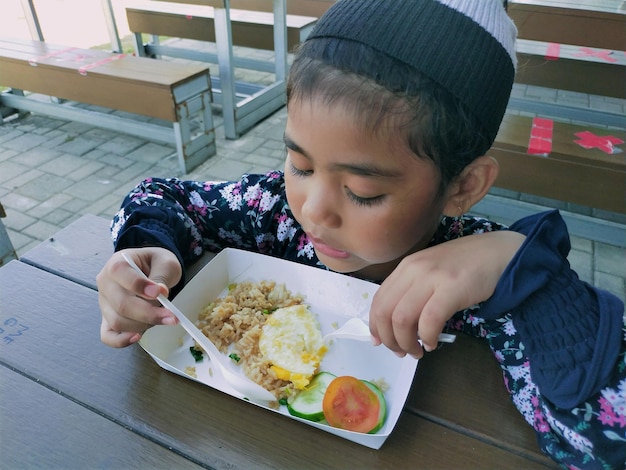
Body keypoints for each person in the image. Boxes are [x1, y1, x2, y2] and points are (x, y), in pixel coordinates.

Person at [96, 0, 626, 466]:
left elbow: (604, 438)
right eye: (300, 165)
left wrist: (519, 265)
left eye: (363, 192)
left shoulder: (489, 288)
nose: (314, 210)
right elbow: (161, 197)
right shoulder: (274, 212)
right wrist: (148, 248)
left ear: (462, 185)